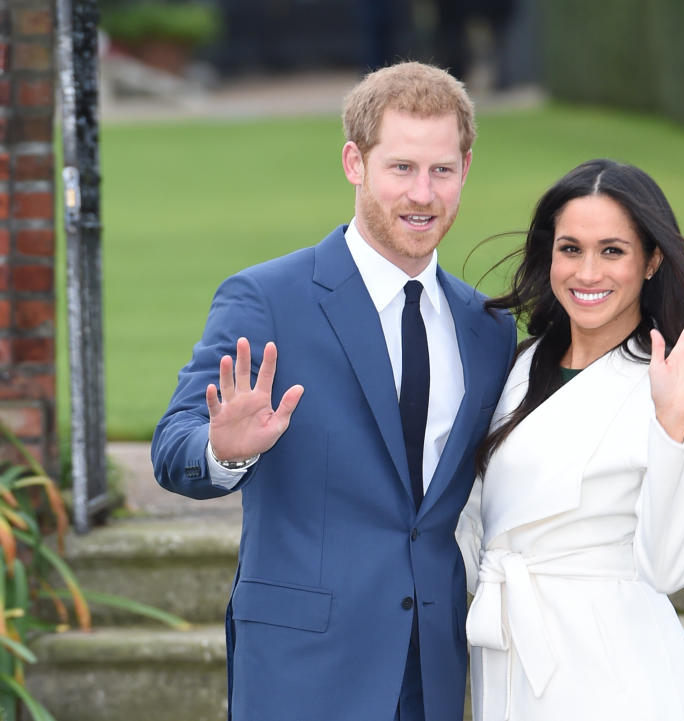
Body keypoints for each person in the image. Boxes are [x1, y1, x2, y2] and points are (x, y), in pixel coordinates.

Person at [151, 62, 517, 721]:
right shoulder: (266, 299)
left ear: (465, 166)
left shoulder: (487, 327)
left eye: (441, 169)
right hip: (302, 672)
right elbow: (172, 446)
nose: (423, 194)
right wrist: (222, 448)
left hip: (430, 672)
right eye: (401, 168)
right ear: (355, 162)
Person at [457, 158, 684, 720]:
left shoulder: (674, 383)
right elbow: (470, 516)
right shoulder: (519, 365)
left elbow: (667, 568)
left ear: (651, 260)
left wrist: (672, 423)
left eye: (612, 250)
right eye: (571, 249)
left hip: (617, 673)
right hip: (508, 653)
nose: (588, 273)